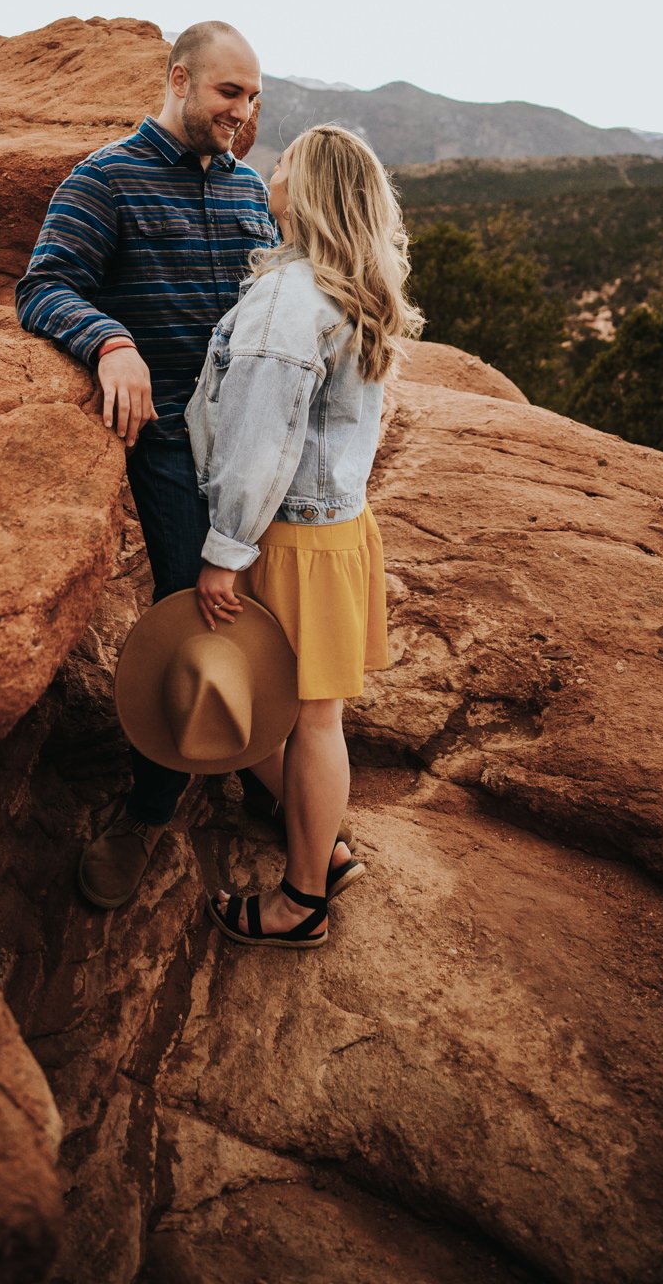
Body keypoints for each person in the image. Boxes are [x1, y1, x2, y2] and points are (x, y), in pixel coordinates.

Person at [15, 20, 277, 908]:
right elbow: (43, 284)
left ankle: (258, 770)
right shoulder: (103, 178)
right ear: (178, 80)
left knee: (265, 614)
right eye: (226, 94)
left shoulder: (248, 190)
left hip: (248, 445)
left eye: (251, 99)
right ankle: (151, 809)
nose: (241, 114)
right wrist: (110, 340)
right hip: (166, 445)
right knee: (190, 618)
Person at [186, 123, 423, 947]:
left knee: (282, 720)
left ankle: (300, 901)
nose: (268, 169)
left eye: (280, 161)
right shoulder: (347, 288)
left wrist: (224, 553)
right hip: (337, 532)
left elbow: (258, 445)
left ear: (307, 189)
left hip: (285, 540)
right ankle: (324, 851)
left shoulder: (289, 302)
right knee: (301, 717)